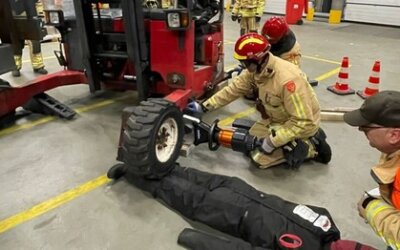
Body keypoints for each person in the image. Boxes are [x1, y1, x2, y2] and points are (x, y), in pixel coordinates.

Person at [122, 163, 376, 249]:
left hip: (233, 211)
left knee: (178, 191)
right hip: (243, 192)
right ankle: (154, 163)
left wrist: (193, 238)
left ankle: (131, 173)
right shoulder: (326, 224)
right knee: (187, 175)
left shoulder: (324, 225)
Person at [188, 33, 332, 169]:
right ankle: (283, 142)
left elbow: (303, 121)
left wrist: (272, 141)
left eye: (245, 63)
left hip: (301, 124)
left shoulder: (288, 80)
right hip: (277, 120)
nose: (243, 66)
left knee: (259, 158)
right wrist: (205, 106)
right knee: (250, 143)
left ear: (258, 60)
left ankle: (311, 146)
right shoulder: (256, 70)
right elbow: (233, 90)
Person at [343, 90, 400, 250]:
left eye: (365, 128)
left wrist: (371, 208)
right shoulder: (394, 152)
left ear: (394, 135)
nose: (362, 132)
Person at [10, 0, 48, 77]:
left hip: (31, 15)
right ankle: (15, 67)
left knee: (35, 41)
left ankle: (38, 65)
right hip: (13, 14)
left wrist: (41, 14)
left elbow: (38, 1)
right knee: (16, 42)